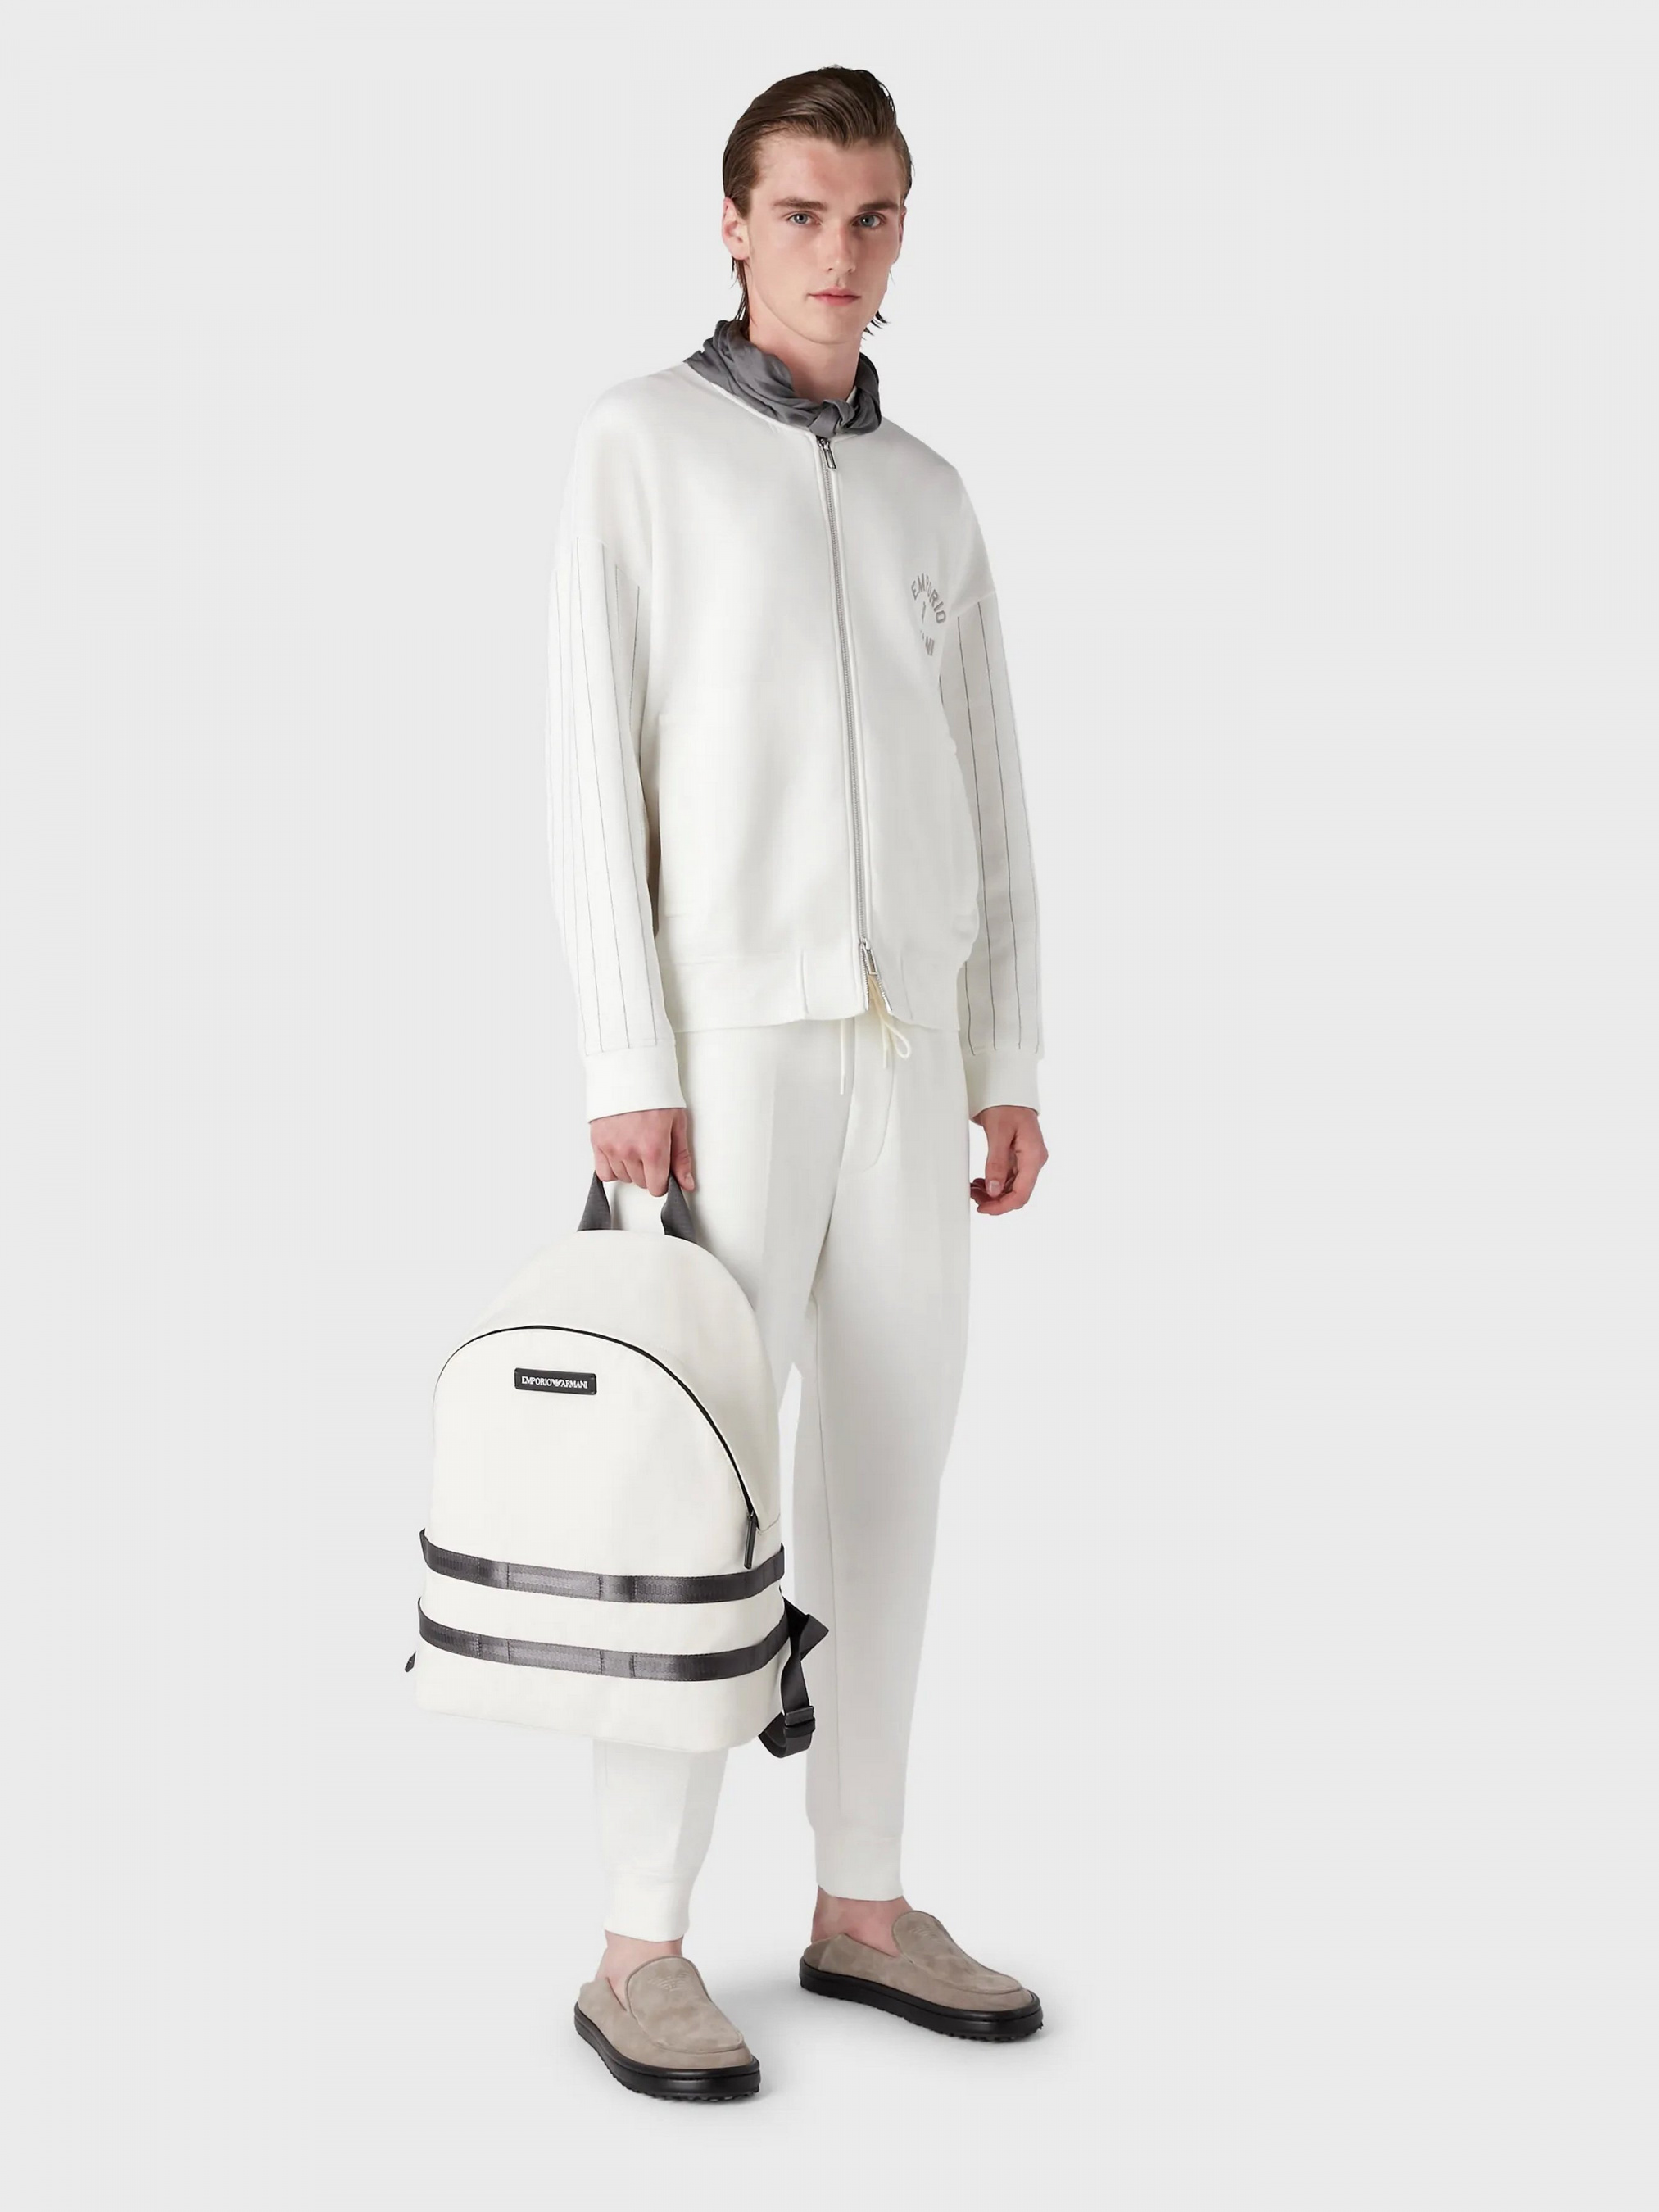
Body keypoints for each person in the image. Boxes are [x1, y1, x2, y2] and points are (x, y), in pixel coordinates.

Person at [546, 65, 1049, 2099]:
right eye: (803, 213)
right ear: (734, 225)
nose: (840, 251)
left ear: (901, 229)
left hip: (910, 1050)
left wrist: (1007, 1053)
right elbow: (590, 766)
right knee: (694, 1486)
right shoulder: (640, 447)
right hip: (725, 1050)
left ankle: (860, 1900)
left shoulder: (928, 492)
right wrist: (624, 1051)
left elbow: (990, 799)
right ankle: (637, 1943)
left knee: (889, 1475)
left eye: (873, 216)